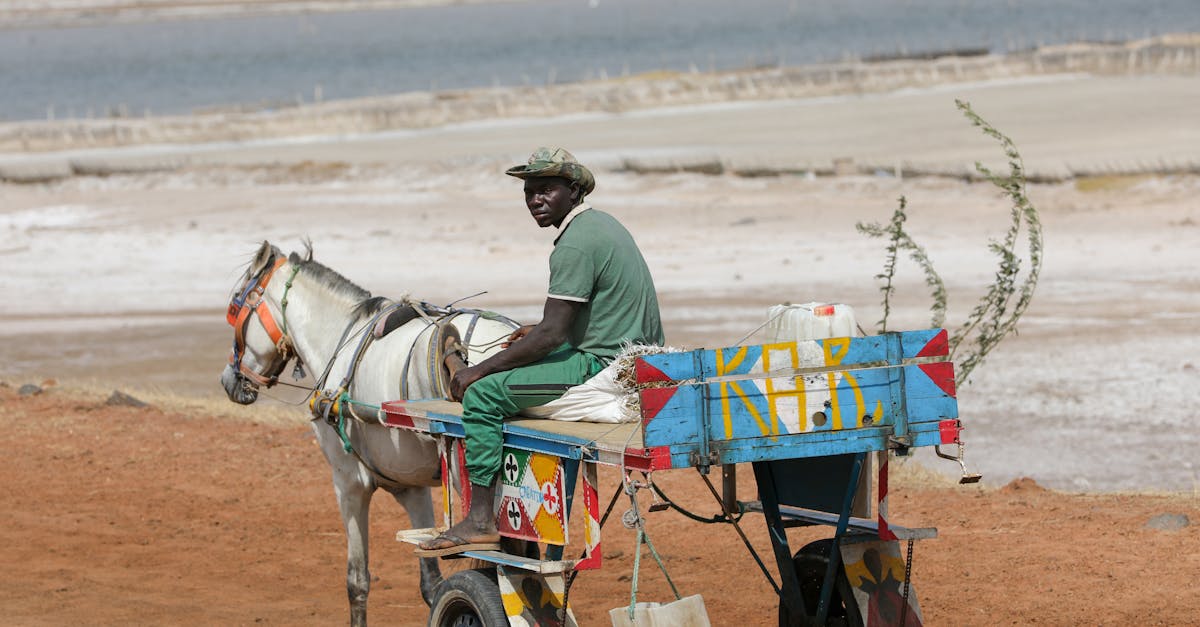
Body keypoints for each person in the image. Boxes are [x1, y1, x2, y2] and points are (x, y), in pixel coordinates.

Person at [416, 147, 664, 556]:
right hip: (631, 353)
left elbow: (552, 335)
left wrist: (477, 372)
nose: (535, 201)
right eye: (529, 193)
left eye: (546, 190)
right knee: (512, 359)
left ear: (573, 190)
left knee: (482, 395)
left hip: (602, 365)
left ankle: (479, 520)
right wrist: (538, 333)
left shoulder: (573, 245)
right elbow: (580, 317)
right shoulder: (602, 225)